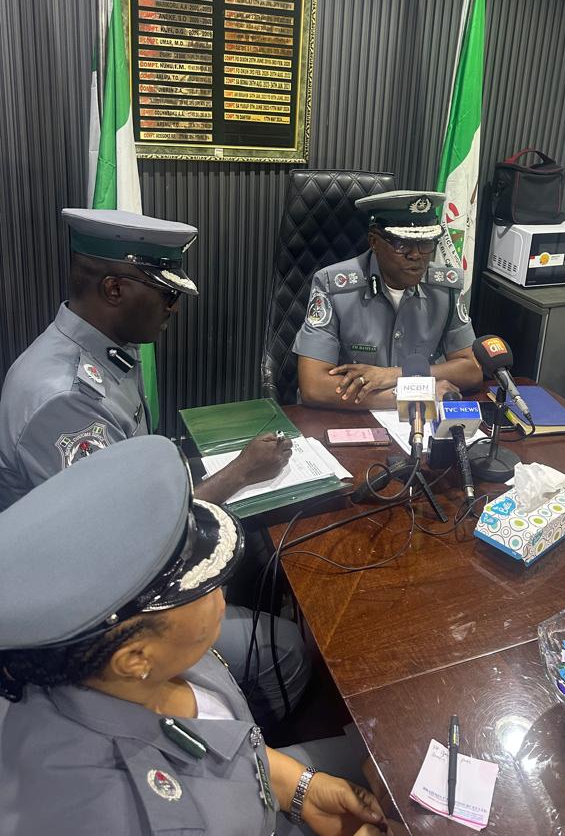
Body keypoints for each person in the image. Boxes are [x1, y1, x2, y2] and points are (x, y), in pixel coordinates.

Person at [0, 208, 309, 718]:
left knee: (255, 562)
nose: (174, 307)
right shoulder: (65, 399)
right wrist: (241, 472)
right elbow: (122, 543)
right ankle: (243, 746)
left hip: (116, 577)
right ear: (114, 289)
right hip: (98, 625)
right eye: (165, 293)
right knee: (287, 648)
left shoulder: (103, 353)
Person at [0, 436, 389, 836]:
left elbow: (225, 745)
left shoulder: (113, 659)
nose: (220, 591)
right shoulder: (125, 816)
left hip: (260, 788)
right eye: (201, 587)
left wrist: (300, 787)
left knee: (387, 754)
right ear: (135, 659)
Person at [294, 190, 482, 409]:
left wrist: (394, 375)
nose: (416, 255)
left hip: (419, 420)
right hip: (351, 417)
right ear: (374, 242)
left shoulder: (444, 288)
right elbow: (314, 387)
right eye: (402, 244)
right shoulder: (333, 286)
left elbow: (472, 370)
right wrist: (412, 395)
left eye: (425, 243)